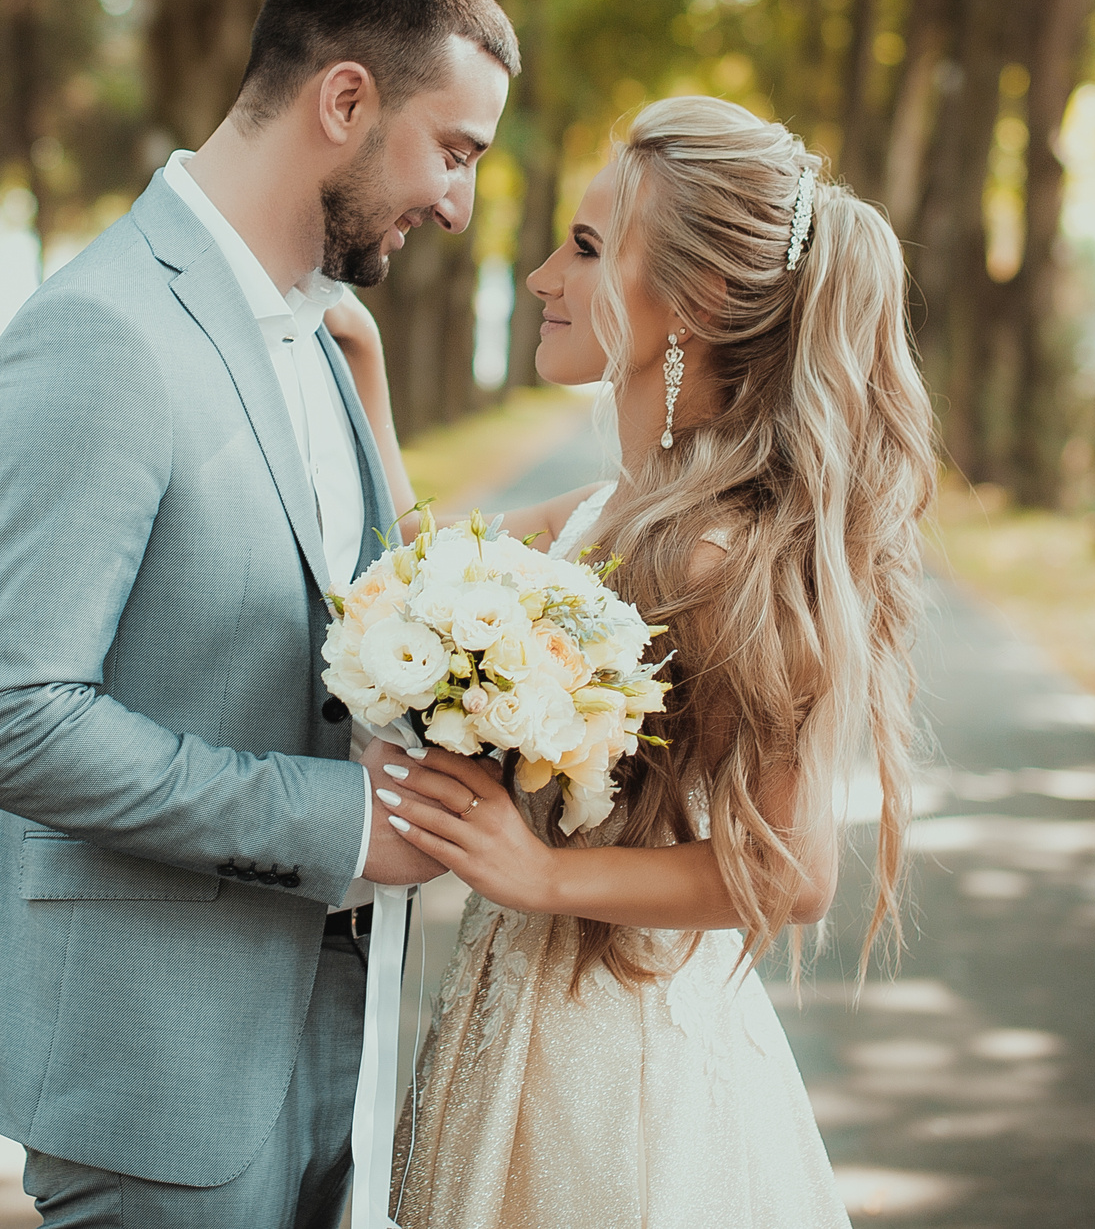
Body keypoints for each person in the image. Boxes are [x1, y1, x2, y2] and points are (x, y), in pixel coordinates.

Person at [0, 0, 515, 1229]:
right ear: (346, 98)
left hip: (339, 1038)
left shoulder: (322, 336)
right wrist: (339, 823)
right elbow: (3, 713)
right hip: (157, 1066)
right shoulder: (103, 332)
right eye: (455, 150)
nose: (459, 201)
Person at [332, 95, 935, 1228]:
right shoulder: (618, 505)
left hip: (615, 1068)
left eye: (588, 247)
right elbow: (421, 577)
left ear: (694, 304)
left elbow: (791, 875)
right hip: (510, 1016)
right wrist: (360, 367)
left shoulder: (722, 552)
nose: (542, 277)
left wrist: (545, 875)